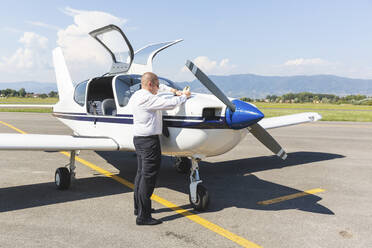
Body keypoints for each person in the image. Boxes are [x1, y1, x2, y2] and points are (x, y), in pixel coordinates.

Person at [128, 72, 191, 225]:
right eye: (156, 85)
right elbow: (170, 104)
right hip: (149, 142)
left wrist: (174, 91)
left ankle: (140, 208)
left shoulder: (137, 94)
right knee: (148, 178)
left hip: (139, 139)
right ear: (150, 84)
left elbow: (160, 87)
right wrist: (184, 96)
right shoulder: (148, 98)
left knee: (141, 175)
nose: (158, 88)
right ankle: (143, 217)